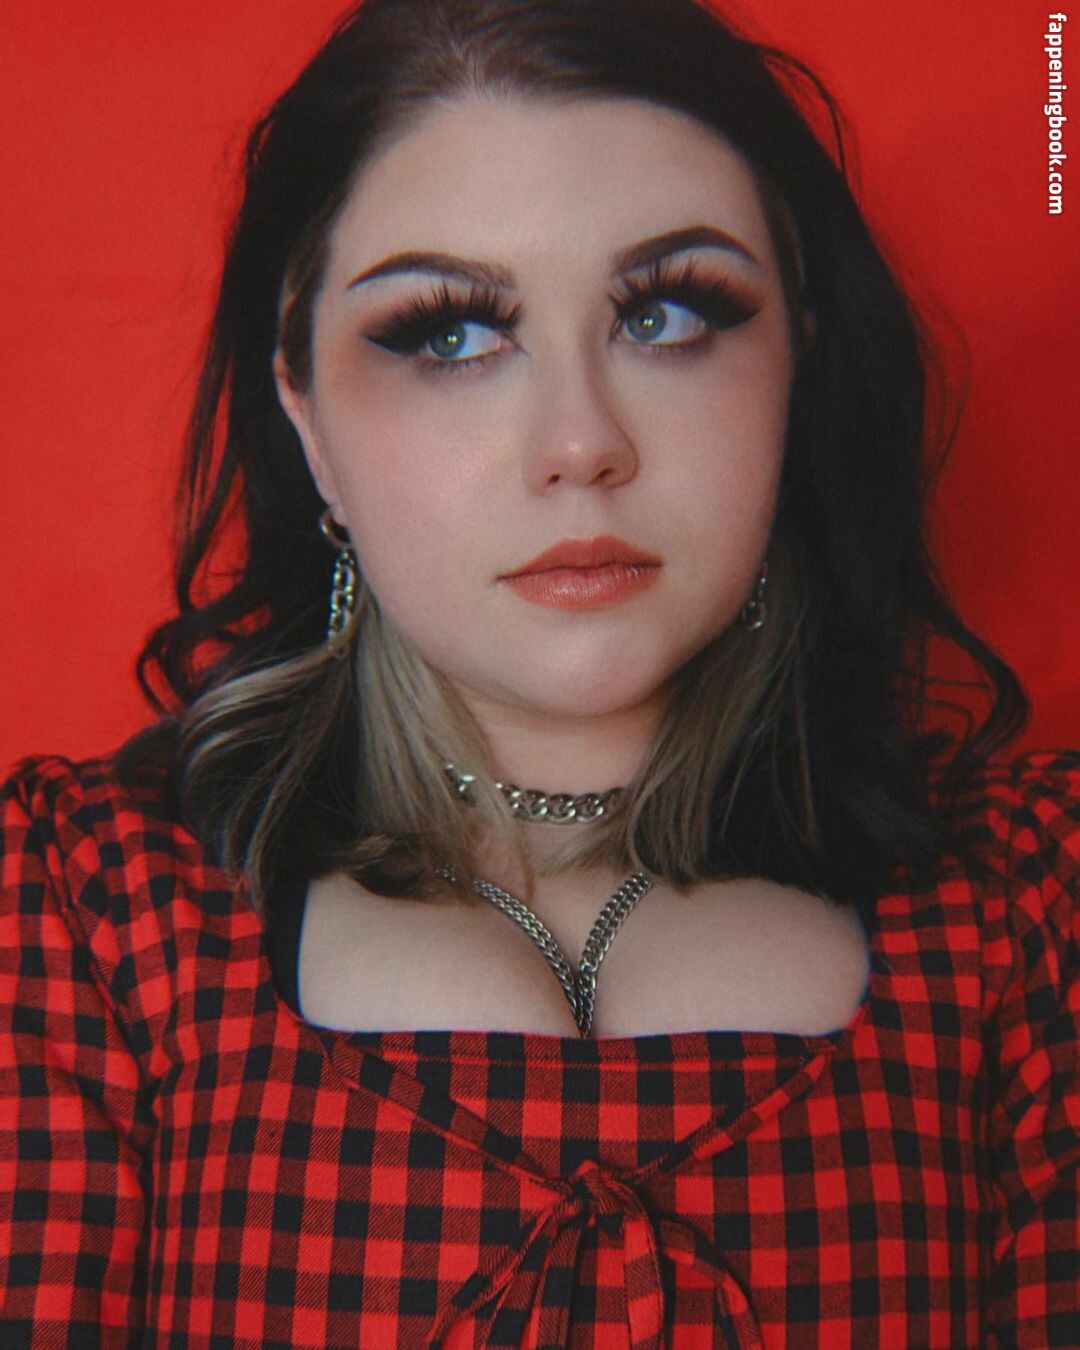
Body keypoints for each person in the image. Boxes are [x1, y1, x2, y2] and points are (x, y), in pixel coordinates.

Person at [1, 0, 1076, 1343]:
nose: (579, 443)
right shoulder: (81, 916)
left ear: (795, 369)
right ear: (306, 412)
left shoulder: (1036, 914)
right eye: (450, 333)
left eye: (670, 313)